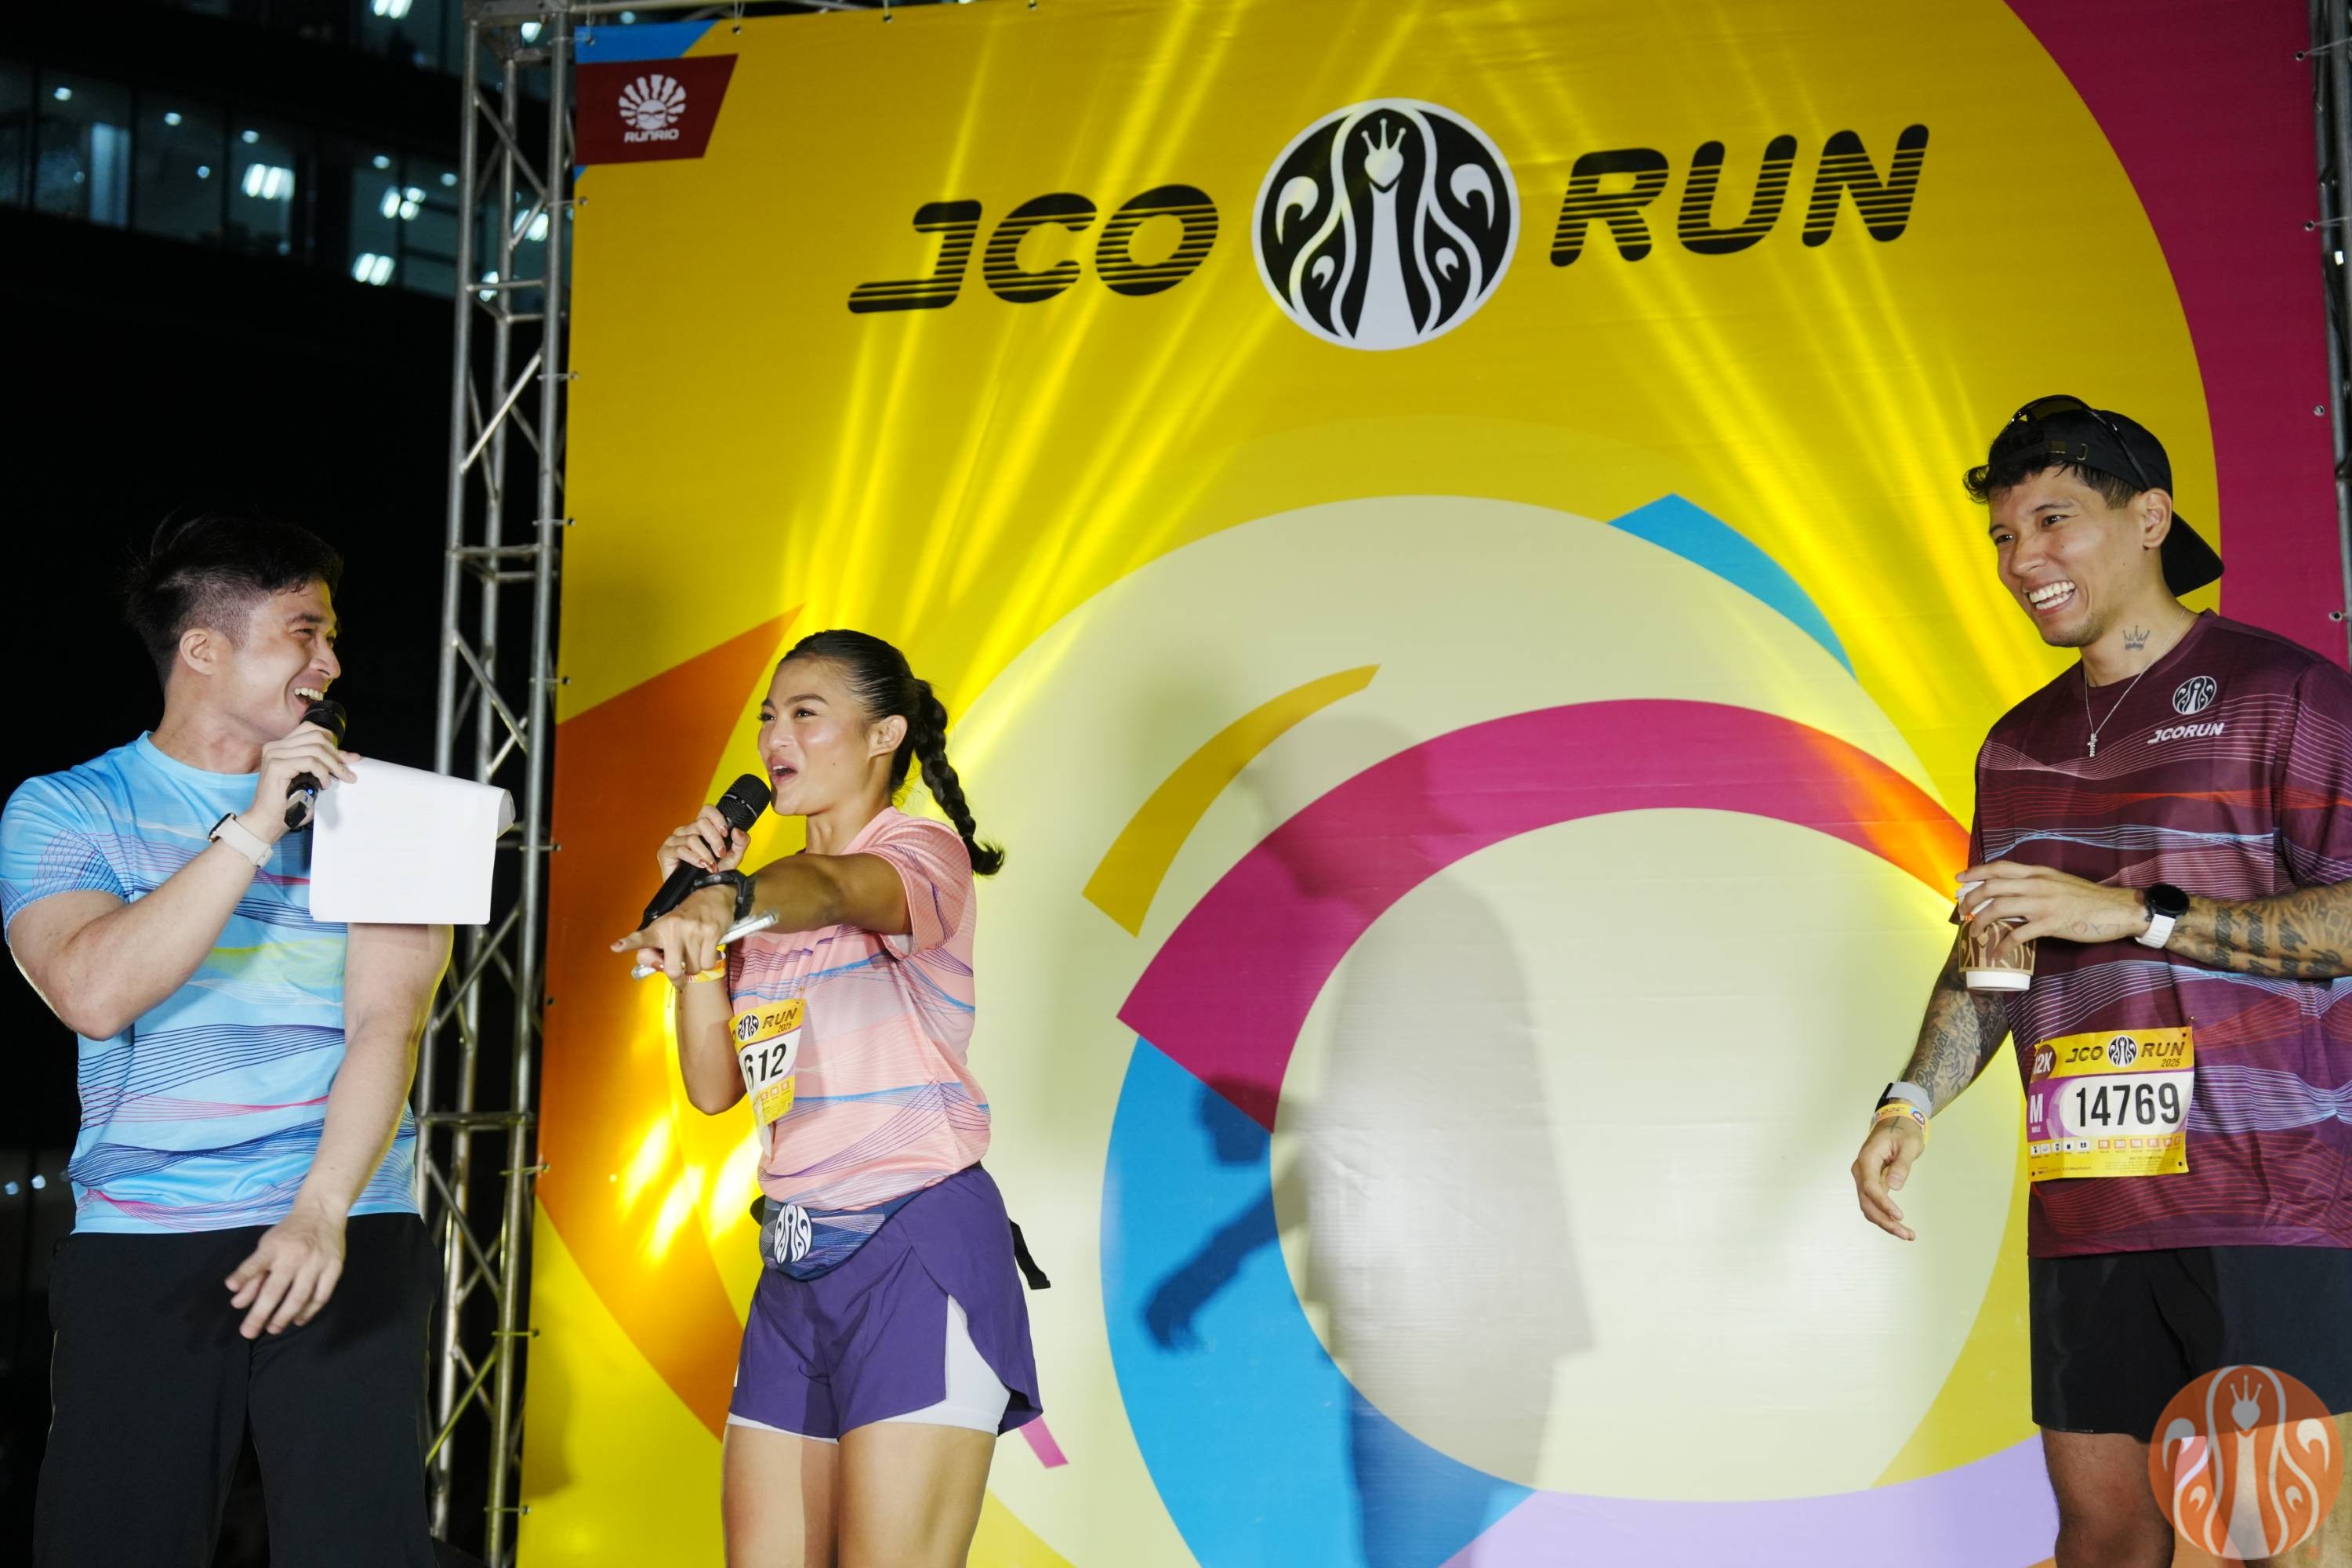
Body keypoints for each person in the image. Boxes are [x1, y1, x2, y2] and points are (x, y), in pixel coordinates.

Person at [1850, 397, 2352, 1565]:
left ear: (2150, 519)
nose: (2022, 559)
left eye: (2053, 520)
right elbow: (1994, 953)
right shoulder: (2015, 743)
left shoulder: (2284, 693)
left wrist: (2134, 912)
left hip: (2264, 1198)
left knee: (2282, 1539)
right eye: (2004, 535)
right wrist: (1909, 1102)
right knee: (2105, 1537)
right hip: (2090, 1203)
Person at [3, 513, 450, 1567]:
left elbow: (387, 1023)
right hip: (143, 1232)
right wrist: (254, 827)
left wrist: (320, 1211)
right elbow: (93, 992)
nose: (329, 661)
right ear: (203, 648)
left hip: (344, 1219)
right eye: (303, 631)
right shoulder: (66, 806)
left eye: (332, 635)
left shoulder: (395, 812)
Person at [615, 628, 1041, 1568]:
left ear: (885, 734)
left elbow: (835, 887)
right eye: (769, 716)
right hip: (795, 1265)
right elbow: (714, 1086)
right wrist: (703, 937)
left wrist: (732, 898)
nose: (776, 737)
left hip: (915, 1250)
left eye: (806, 714)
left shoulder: (918, 850)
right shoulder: (754, 904)